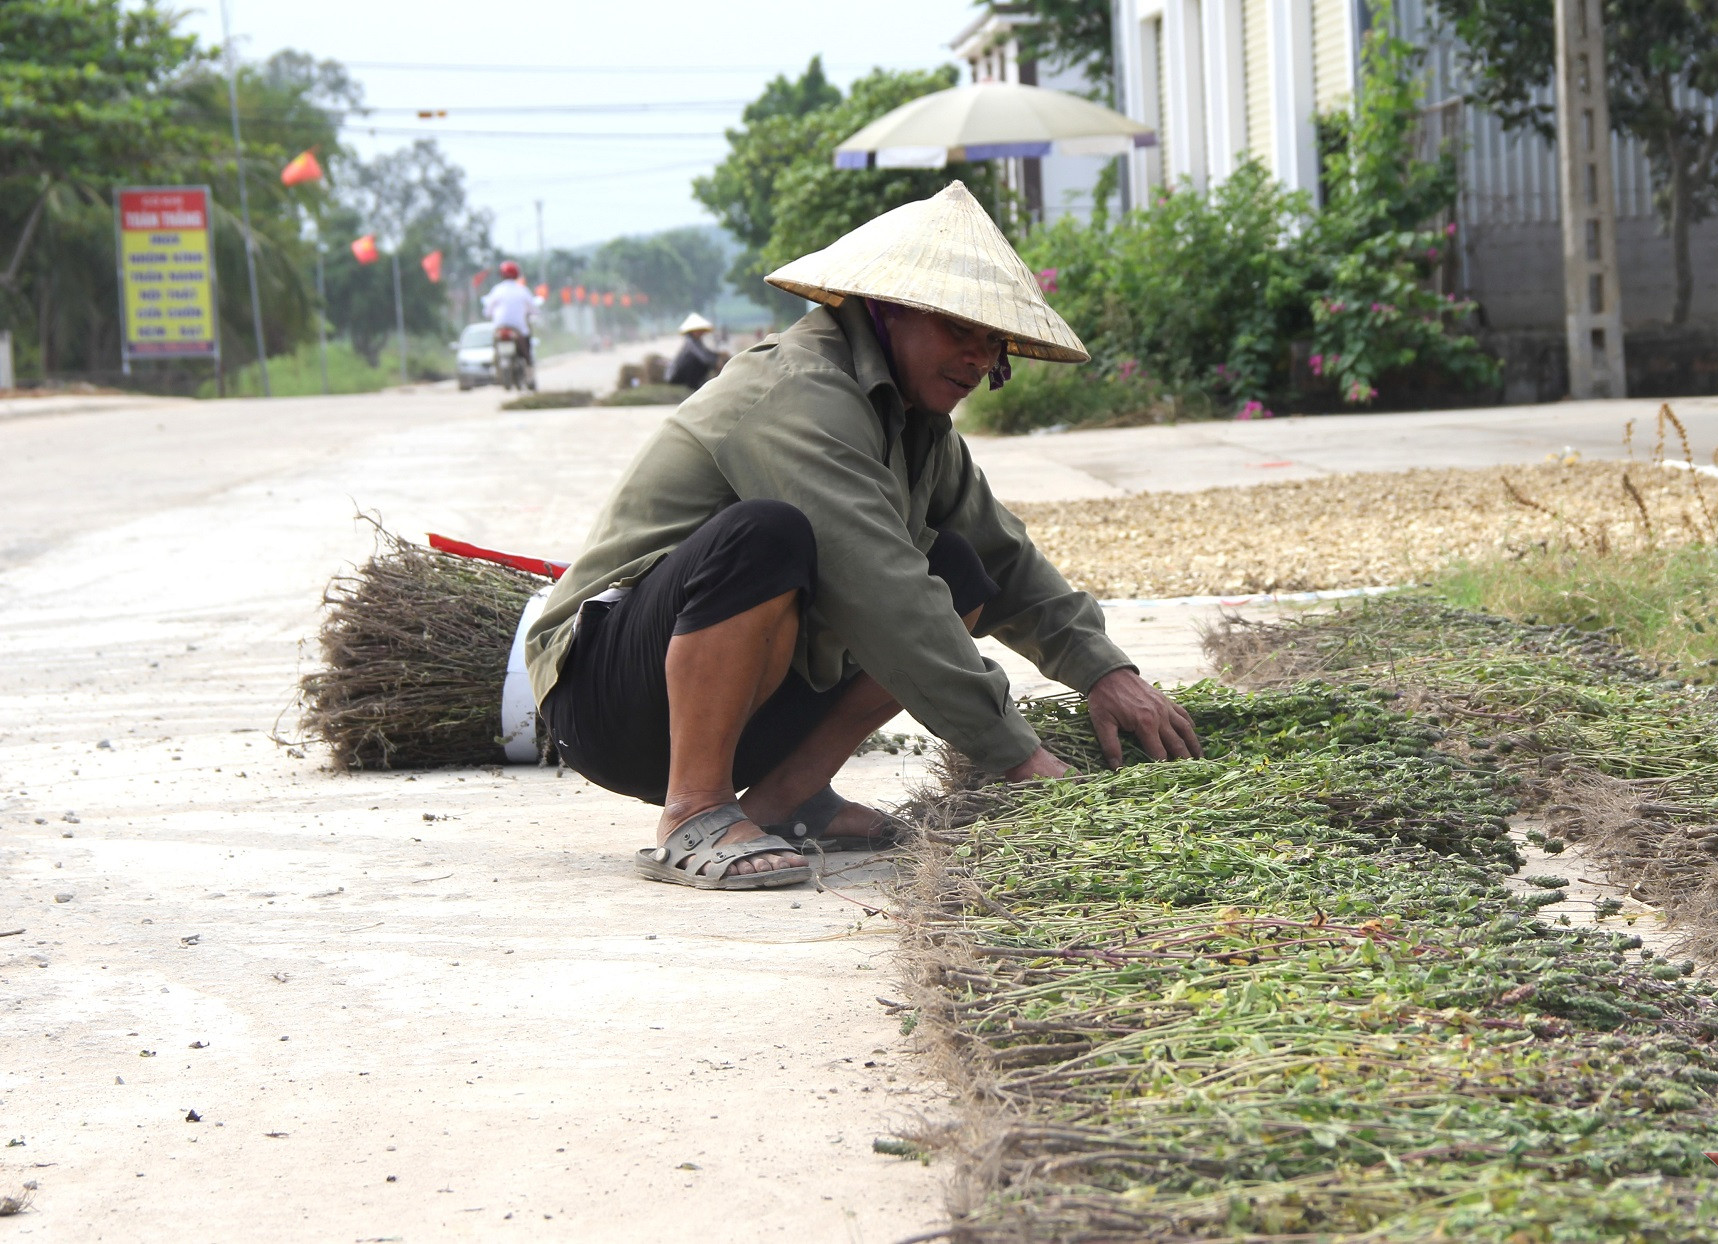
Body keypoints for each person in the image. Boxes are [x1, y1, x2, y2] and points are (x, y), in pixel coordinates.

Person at [524, 182, 1202, 892]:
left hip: (757, 705)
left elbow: (1006, 559)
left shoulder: (918, 429)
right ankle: (694, 811)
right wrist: (1017, 754)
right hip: (608, 700)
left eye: (992, 342)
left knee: (960, 568)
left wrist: (1104, 671)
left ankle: (789, 799)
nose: (977, 360)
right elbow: (880, 586)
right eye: (957, 332)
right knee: (768, 536)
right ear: (887, 310)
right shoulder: (797, 395)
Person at [480, 260, 540, 364]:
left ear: (501, 275)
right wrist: (533, 313)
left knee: (494, 346)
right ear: (517, 274)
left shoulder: (497, 290)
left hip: (499, 327)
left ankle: (494, 365)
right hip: (519, 329)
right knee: (527, 350)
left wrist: (489, 314)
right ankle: (528, 365)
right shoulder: (522, 290)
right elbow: (534, 309)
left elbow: (487, 311)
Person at [666, 311, 727, 389]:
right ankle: (693, 385)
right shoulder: (690, 342)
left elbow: (706, 353)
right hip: (675, 376)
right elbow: (704, 357)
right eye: (698, 330)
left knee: (705, 362)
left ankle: (699, 383)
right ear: (692, 331)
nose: (700, 332)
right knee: (696, 360)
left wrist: (718, 355)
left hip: (680, 374)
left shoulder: (697, 342)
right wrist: (716, 361)